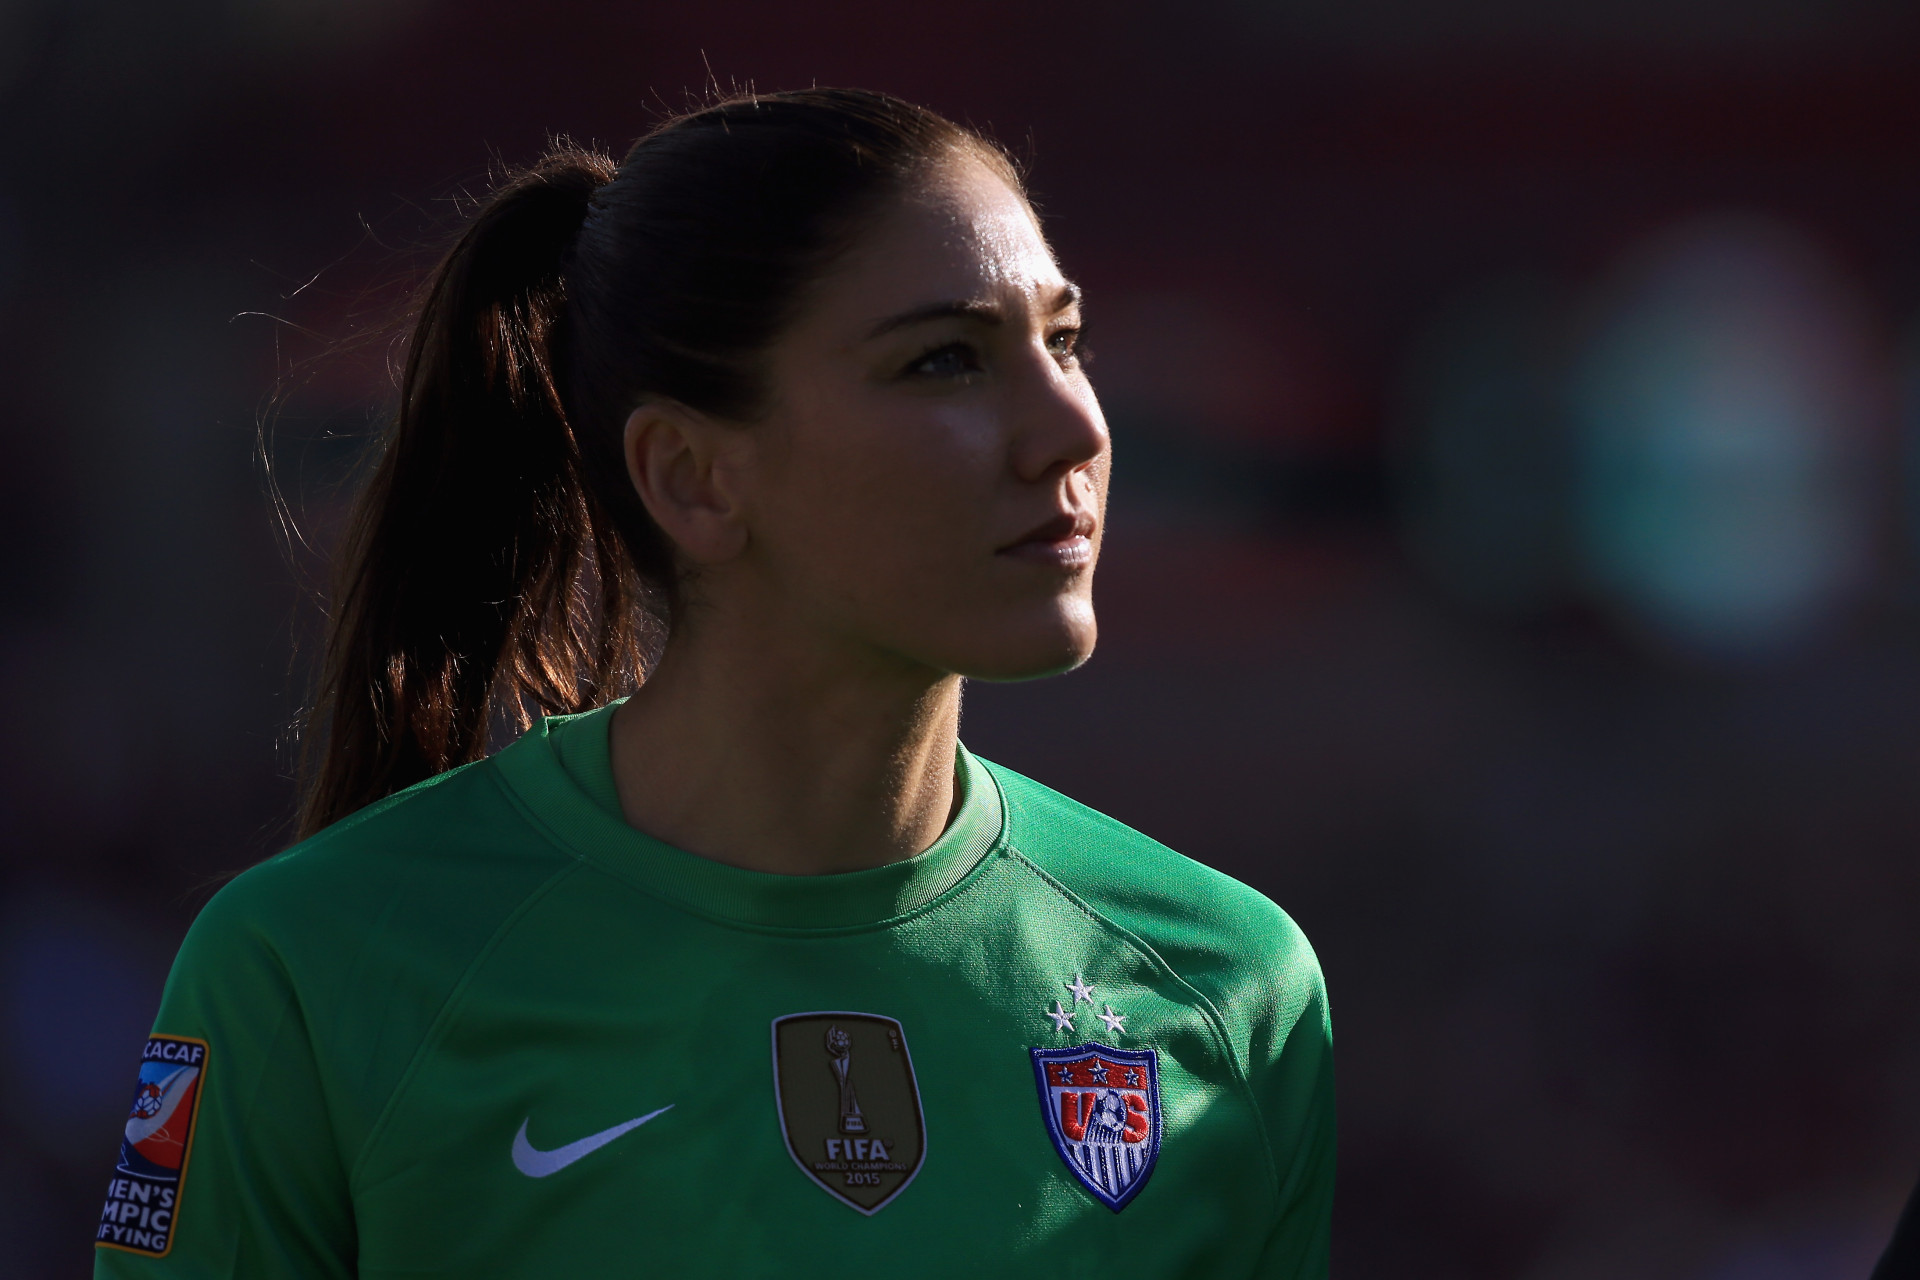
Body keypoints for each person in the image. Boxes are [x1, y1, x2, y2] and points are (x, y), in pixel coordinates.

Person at [92, 89, 1334, 1277]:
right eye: (945, 361)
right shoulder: (310, 968)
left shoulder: (1225, 987)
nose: (1073, 429)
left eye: (1063, 341)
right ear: (691, 476)